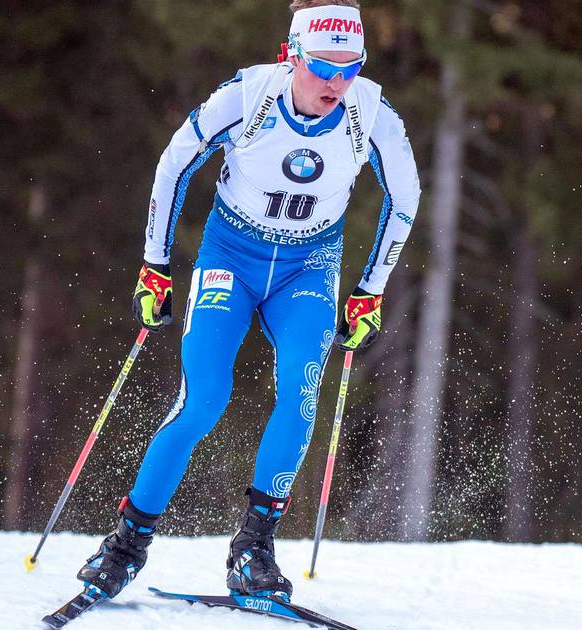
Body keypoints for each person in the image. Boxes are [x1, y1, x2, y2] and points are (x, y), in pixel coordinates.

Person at [75, 0, 421, 604]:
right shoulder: (247, 96)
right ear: (292, 56)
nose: (337, 84)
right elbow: (174, 163)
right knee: (203, 399)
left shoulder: (372, 112)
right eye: (323, 68)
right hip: (229, 259)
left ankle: (253, 548)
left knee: (300, 392)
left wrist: (371, 290)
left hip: (309, 267)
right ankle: (126, 544)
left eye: (351, 67)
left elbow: (406, 198)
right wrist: (155, 265)